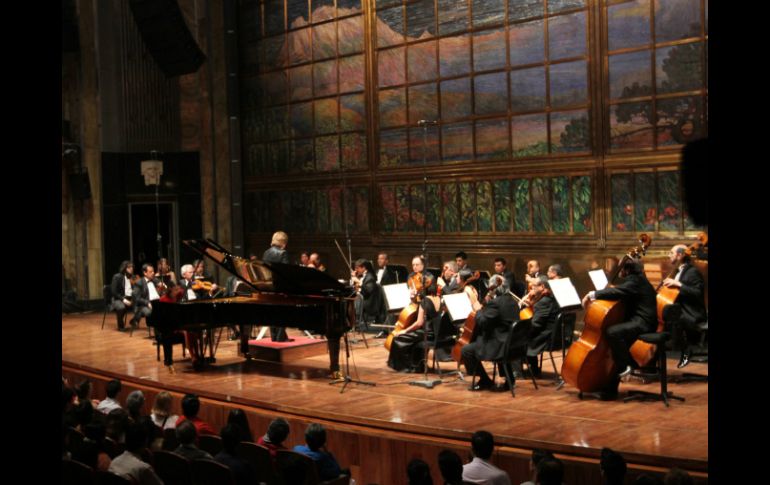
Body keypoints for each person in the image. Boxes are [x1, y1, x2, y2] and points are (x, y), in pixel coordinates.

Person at [582, 258, 657, 399]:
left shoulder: (635, 280)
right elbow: (620, 291)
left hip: (643, 323)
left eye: (622, 269)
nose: (620, 271)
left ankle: (627, 365)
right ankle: (610, 391)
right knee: (616, 350)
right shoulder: (637, 280)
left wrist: (592, 294)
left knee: (613, 332)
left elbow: (618, 292)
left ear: (627, 270)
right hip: (639, 320)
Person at [461, 275, 519, 392]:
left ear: (494, 288)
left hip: (499, 347)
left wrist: (478, 310)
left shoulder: (496, 303)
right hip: (513, 345)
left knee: (466, 350)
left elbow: (482, 321)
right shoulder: (513, 301)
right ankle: (510, 379)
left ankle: (485, 380)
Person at [387, 257, 441, 373]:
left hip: (427, 331)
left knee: (398, 338)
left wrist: (405, 331)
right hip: (435, 331)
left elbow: (419, 323)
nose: (415, 267)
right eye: (413, 264)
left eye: (417, 264)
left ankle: (407, 367)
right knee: (409, 337)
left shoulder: (425, 301)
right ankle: (417, 363)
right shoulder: (438, 299)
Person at [661, 244, 707, 368]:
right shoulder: (678, 271)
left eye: (671, 252)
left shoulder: (692, 272)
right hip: (683, 310)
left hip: (693, 313)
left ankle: (686, 349)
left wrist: (679, 284)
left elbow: (697, 293)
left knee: (672, 317)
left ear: (680, 255)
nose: (669, 255)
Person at [525, 276, 560, 377]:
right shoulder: (549, 298)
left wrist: (521, 331)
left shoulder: (544, 302)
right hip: (550, 333)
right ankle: (534, 368)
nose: (532, 289)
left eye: (534, 287)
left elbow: (536, 325)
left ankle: (518, 372)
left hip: (545, 337)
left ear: (542, 287)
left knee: (515, 339)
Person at [263, 231, 290, 341]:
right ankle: (280, 338)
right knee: (282, 312)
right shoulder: (283, 253)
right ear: (283, 242)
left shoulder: (265, 253)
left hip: (268, 286)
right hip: (280, 287)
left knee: (272, 312)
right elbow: (286, 272)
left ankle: (274, 337)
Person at [351, 258, 382, 331]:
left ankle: (354, 322)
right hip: (362, 299)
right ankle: (352, 323)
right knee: (349, 299)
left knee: (353, 301)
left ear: (364, 268)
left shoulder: (370, 277)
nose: (356, 270)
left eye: (357, 268)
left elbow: (368, 291)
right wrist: (353, 278)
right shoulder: (362, 276)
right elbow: (356, 288)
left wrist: (358, 280)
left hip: (368, 301)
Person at [129, 263, 162, 329]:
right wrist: (147, 303)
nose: (153, 273)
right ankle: (136, 320)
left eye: (153, 271)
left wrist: (163, 287)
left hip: (157, 301)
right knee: (150, 312)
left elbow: (164, 289)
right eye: (150, 272)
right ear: (145, 273)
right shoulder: (139, 283)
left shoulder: (155, 280)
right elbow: (137, 298)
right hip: (144, 304)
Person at [110, 261, 135, 331]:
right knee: (121, 307)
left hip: (130, 297)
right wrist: (124, 300)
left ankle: (134, 320)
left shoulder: (132, 278)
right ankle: (120, 326)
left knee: (143, 304)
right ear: (124, 268)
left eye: (132, 267)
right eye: (129, 267)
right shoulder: (117, 277)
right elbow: (114, 292)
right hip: (118, 298)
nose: (131, 269)